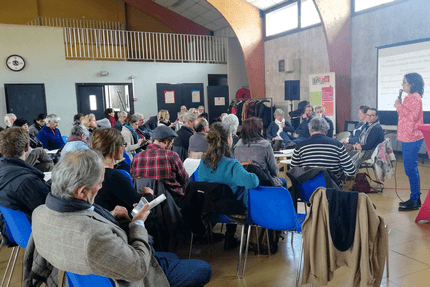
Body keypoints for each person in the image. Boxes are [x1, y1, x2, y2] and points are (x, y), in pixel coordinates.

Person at [30, 149, 212, 287]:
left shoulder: (40, 213)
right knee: (203, 268)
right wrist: (138, 223)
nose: (101, 186)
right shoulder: (93, 236)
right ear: (81, 191)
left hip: (85, 275)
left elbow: (83, 225)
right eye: (99, 182)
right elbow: (139, 268)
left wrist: (112, 218)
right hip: (130, 276)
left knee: (171, 256)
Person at [197, 122, 259, 250]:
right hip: (233, 211)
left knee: (229, 191)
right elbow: (252, 182)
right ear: (229, 140)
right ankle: (231, 236)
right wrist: (253, 171)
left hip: (210, 210)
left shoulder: (203, 164)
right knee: (239, 190)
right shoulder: (232, 165)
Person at [0, 127, 50, 247]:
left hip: (13, 231)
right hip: (37, 237)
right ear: (27, 147)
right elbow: (49, 210)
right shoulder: (27, 181)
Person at [91, 128, 149, 212]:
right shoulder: (113, 177)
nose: (124, 148)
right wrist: (148, 194)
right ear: (115, 148)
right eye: (123, 144)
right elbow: (140, 207)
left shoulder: (90, 173)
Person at [131, 125, 189, 196]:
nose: (171, 146)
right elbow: (185, 180)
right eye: (171, 143)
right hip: (171, 201)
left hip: (146, 201)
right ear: (166, 141)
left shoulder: (136, 157)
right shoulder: (171, 156)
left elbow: (134, 181)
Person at [395, 73, 425, 211]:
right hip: (406, 137)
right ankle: (414, 198)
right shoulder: (408, 98)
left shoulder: (415, 97)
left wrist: (399, 106)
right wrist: (400, 106)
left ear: (412, 84)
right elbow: (405, 115)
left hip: (412, 137)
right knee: (409, 169)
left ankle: (415, 199)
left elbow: (412, 117)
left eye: (405, 82)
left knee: (410, 169)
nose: (403, 85)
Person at [291, 117, 356, 180]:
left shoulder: (300, 146)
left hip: (306, 189)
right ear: (326, 130)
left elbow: (293, 171)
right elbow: (351, 171)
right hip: (331, 189)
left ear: (309, 130)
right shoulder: (337, 145)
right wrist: (339, 175)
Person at [234, 117, 285, 187]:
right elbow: (275, 172)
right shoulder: (265, 145)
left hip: (244, 185)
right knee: (283, 181)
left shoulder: (237, 146)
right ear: (259, 130)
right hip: (264, 183)